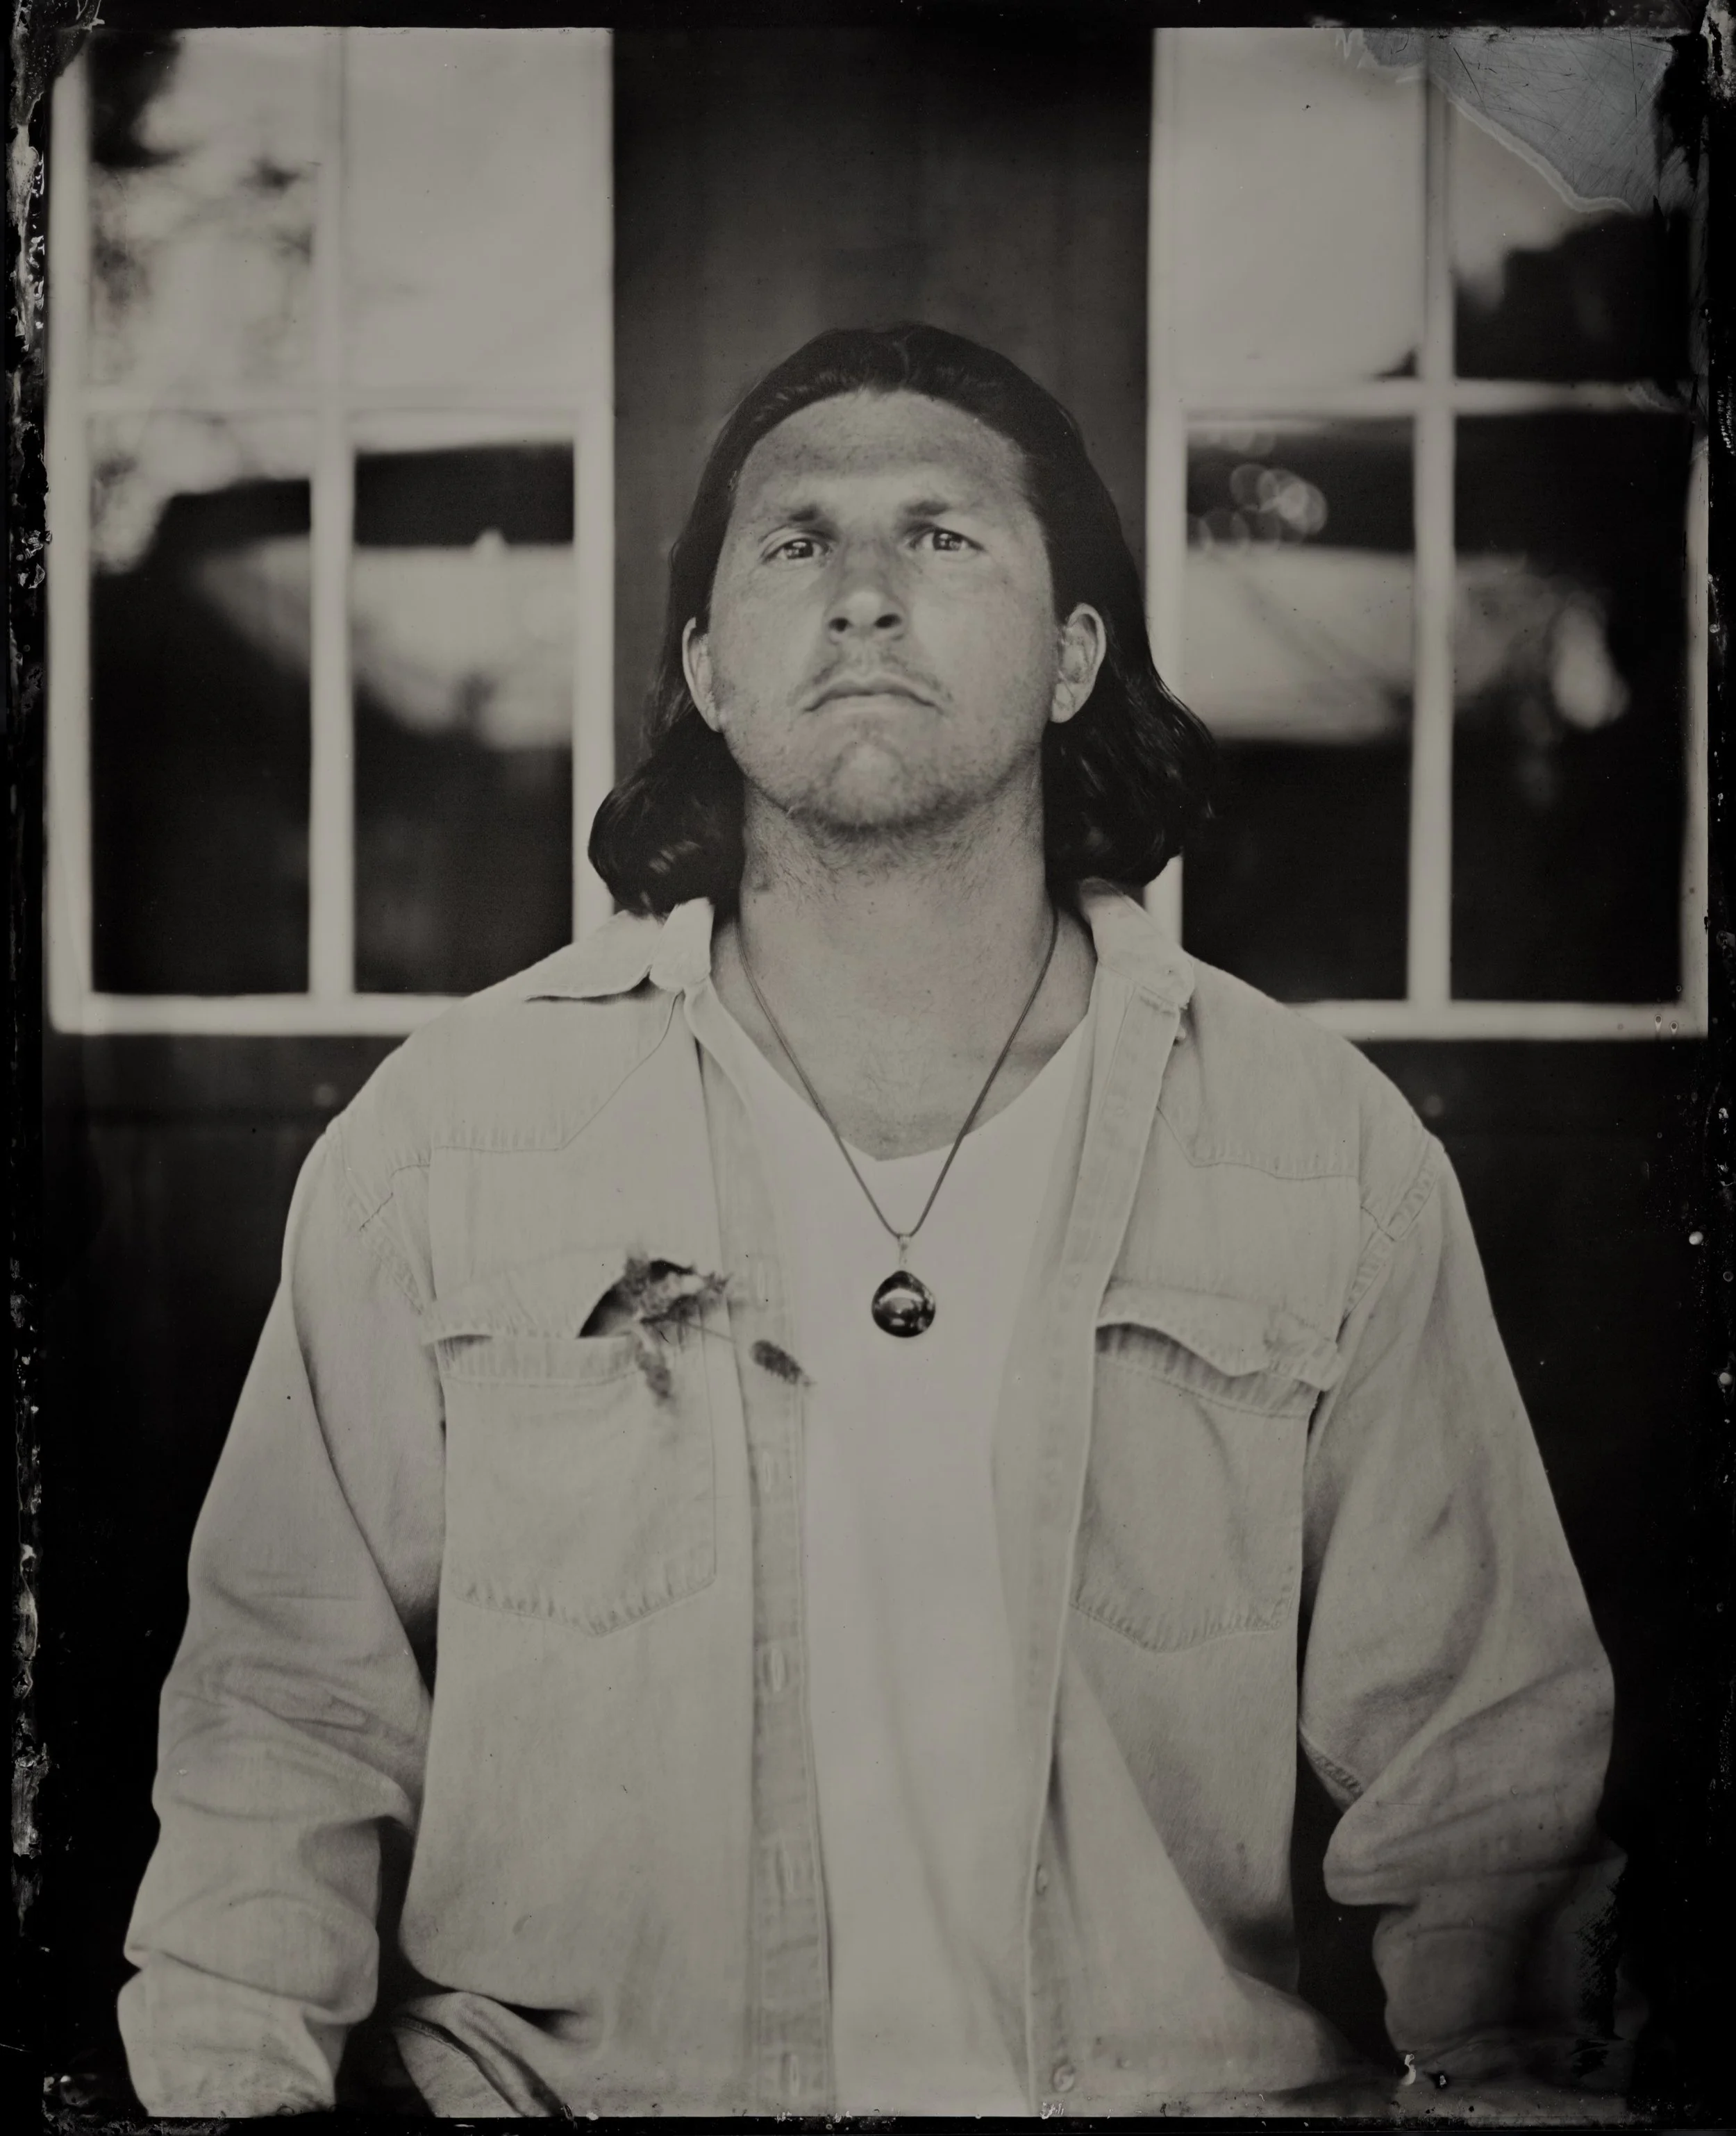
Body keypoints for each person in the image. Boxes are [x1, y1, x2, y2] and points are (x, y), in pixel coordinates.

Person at [119, 324, 1626, 2118]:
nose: (858, 591)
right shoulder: (443, 1149)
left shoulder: (1321, 1161)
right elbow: (279, 1733)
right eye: (793, 541)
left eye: (941, 536)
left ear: (1075, 655)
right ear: (707, 669)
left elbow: (1487, 1809)